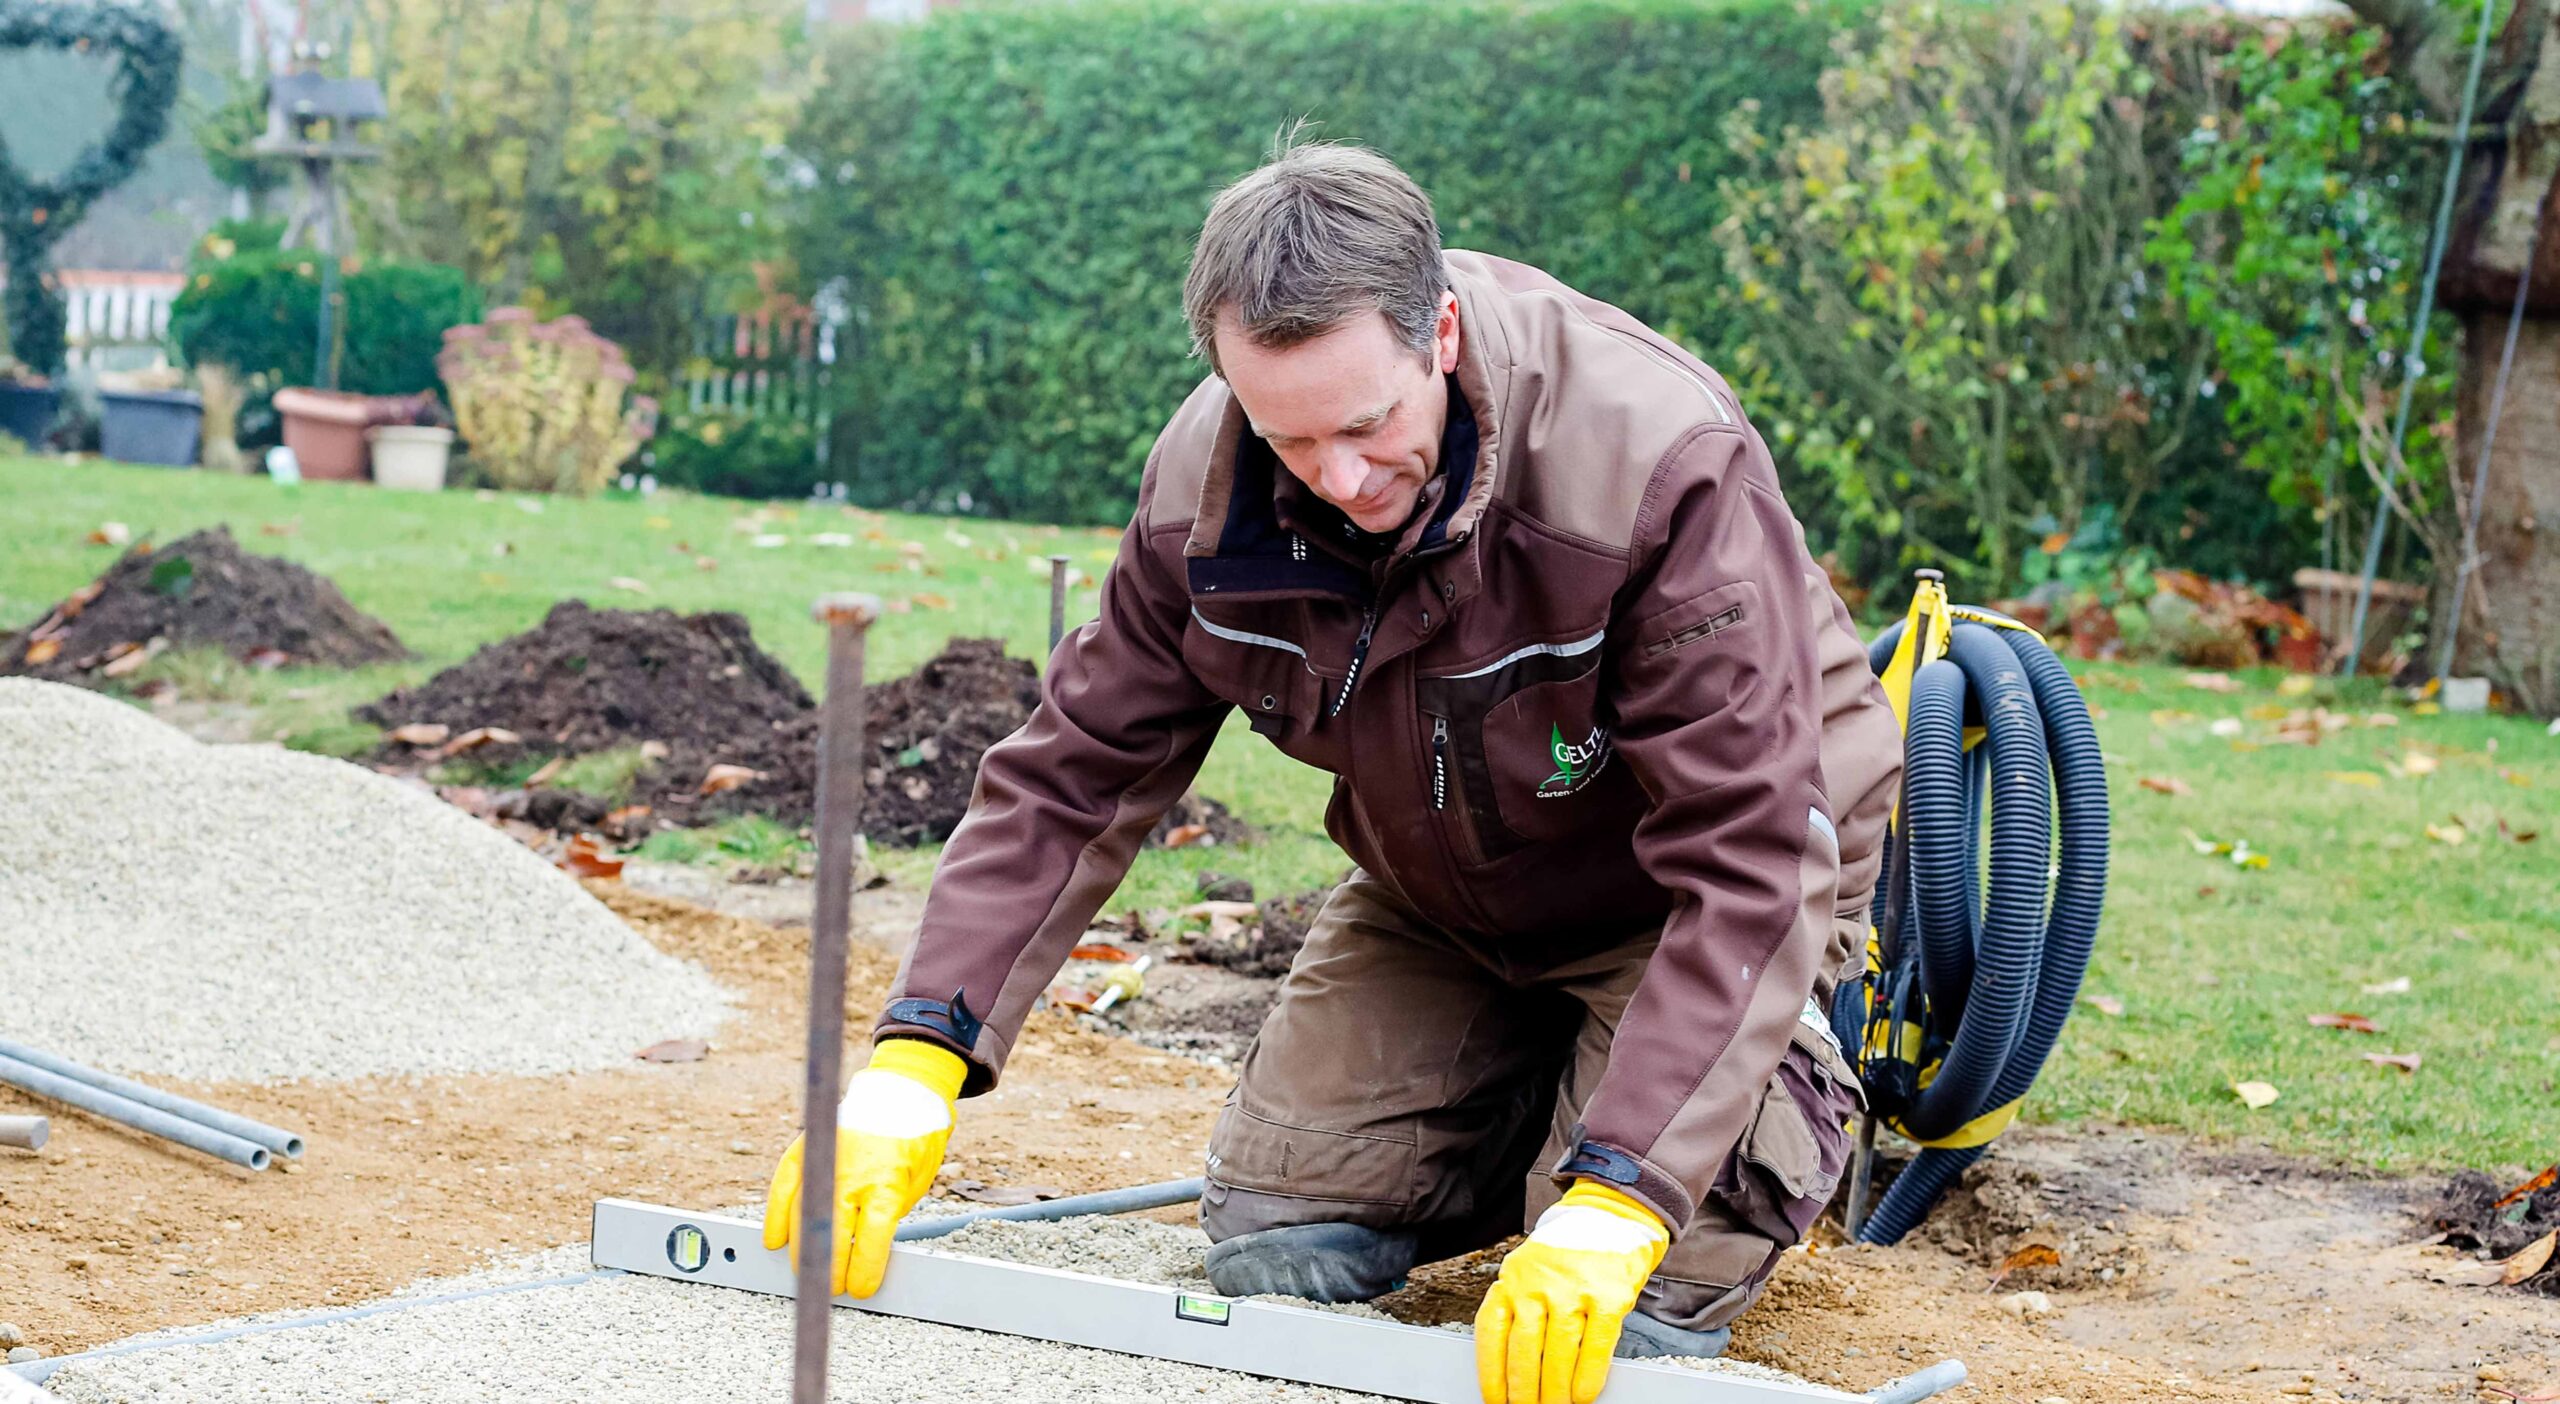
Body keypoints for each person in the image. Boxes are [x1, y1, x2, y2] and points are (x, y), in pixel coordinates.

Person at [761, 138, 1902, 1404]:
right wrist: (921, 1053)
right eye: (1290, 438)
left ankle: (1739, 1091)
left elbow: (1750, 860)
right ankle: (1544, 1091)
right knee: (1277, 1233)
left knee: (1646, 1284)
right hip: (1446, 895)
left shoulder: (1653, 462)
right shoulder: (1201, 493)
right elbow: (1073, 773)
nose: (1342, 481)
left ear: (1443, 335)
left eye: (1368, 426)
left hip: (1692, 895)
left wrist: (1615, 1200)